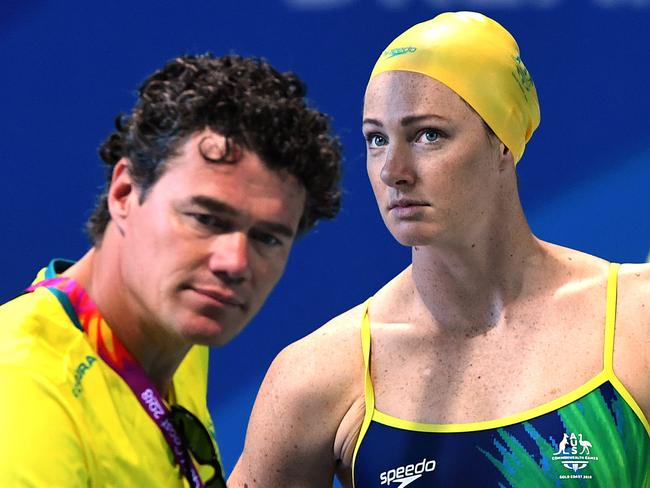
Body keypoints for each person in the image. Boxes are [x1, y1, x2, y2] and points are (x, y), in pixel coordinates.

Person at [229, 11, 650, 487]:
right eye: (376, 139)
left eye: (428, 135)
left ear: (503, 143)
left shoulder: (636, 320)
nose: (393, 170)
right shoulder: (321, 375)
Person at [0, 53, 341, 487]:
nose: (234, 263)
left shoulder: (180, 332)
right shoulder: (21, 393)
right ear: (124, 192)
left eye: (267, 238)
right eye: (205, 219)